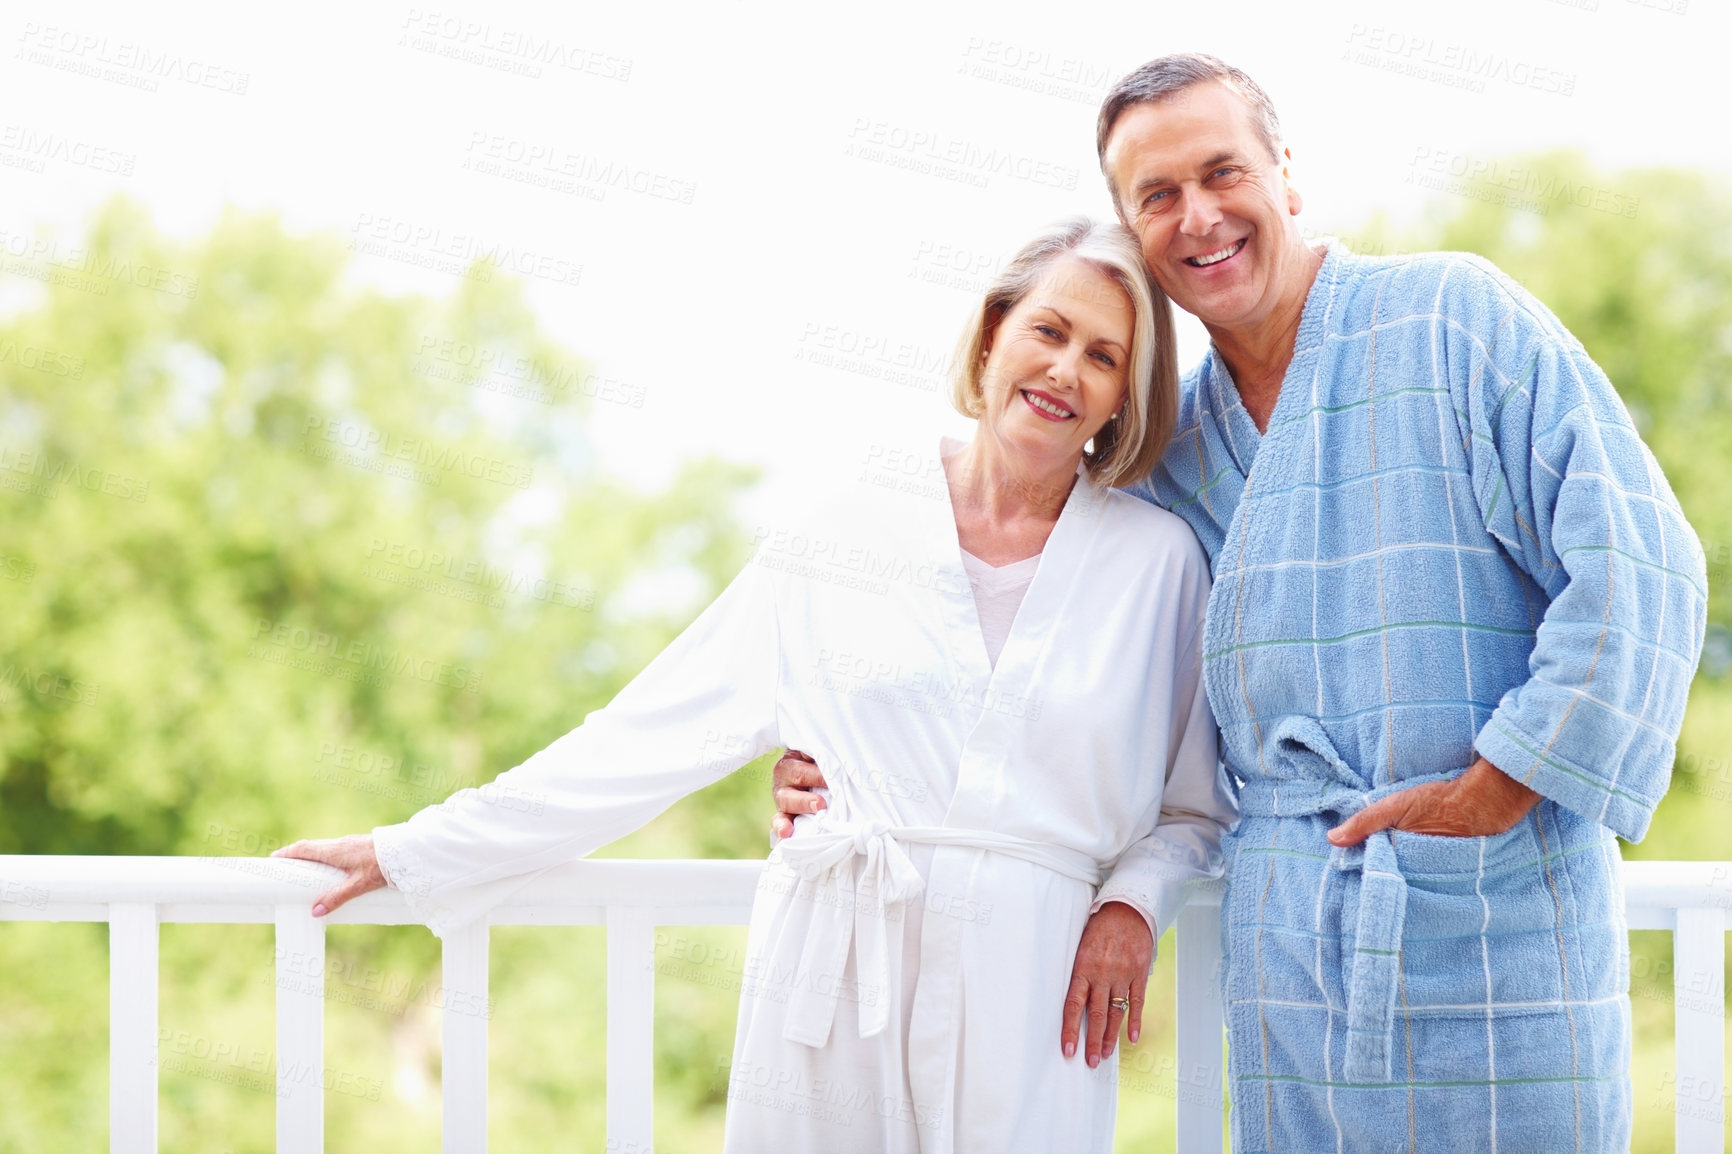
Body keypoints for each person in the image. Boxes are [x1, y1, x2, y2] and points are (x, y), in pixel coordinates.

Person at [774, 54, 1709, 1152]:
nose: (1199, 216)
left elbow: (1641, 560)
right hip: (1288, 944)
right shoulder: (1166, 451)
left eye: (1222, 172)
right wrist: (847, 759)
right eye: (1156, 196)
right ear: (1132, 231)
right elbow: (1035, 640)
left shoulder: (1453, 320)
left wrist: (1499, 787)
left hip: (1493, 916)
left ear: (1284, 173)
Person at [274, 217, 1238, 1153]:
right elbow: (646, 737)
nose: (1068, 369)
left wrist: (1132, 905)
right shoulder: (842, 532)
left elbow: (1197, 804)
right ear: (992, 337)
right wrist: (418, 848)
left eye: (1106, 357)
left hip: (1037, 981)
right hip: (835, 961)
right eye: (1049, 331)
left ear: (1126, 398)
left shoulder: (1158, 566)